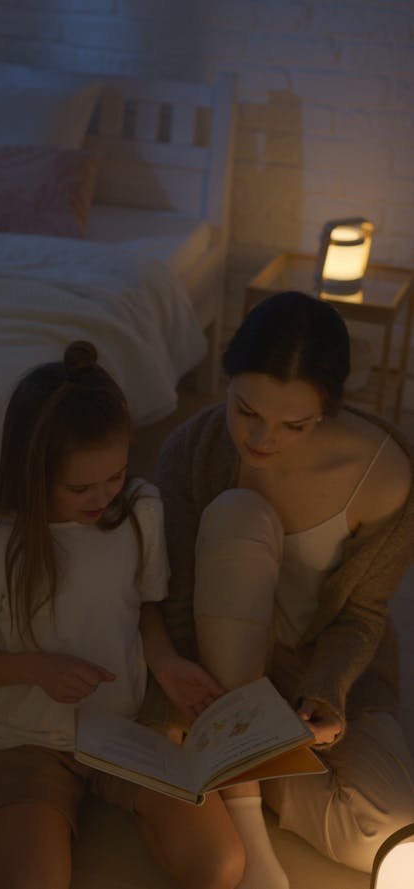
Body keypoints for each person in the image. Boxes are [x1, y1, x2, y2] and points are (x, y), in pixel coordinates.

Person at [0, 341, 246, 889]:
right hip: (23, 738)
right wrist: (36, 669)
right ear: (31, 470)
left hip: (123, 727)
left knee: (221, 865)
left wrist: (164, 662)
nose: (102, 497)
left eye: (114, 475)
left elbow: (143, 607)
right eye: (80, 487)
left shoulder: (136, 510)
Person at [154, 290, 414, 887]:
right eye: (245, 410)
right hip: (219, 663)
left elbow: (364, 612)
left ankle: (236, 762)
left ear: (328, 408)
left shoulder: (387, 474)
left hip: (312, 670)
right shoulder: (190, 453)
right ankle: (245, 814)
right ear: (226, 379)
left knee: (386, 825)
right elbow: (173, 597)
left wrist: (326, 698)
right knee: (239, 512)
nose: (262, 438)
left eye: (293, 424)